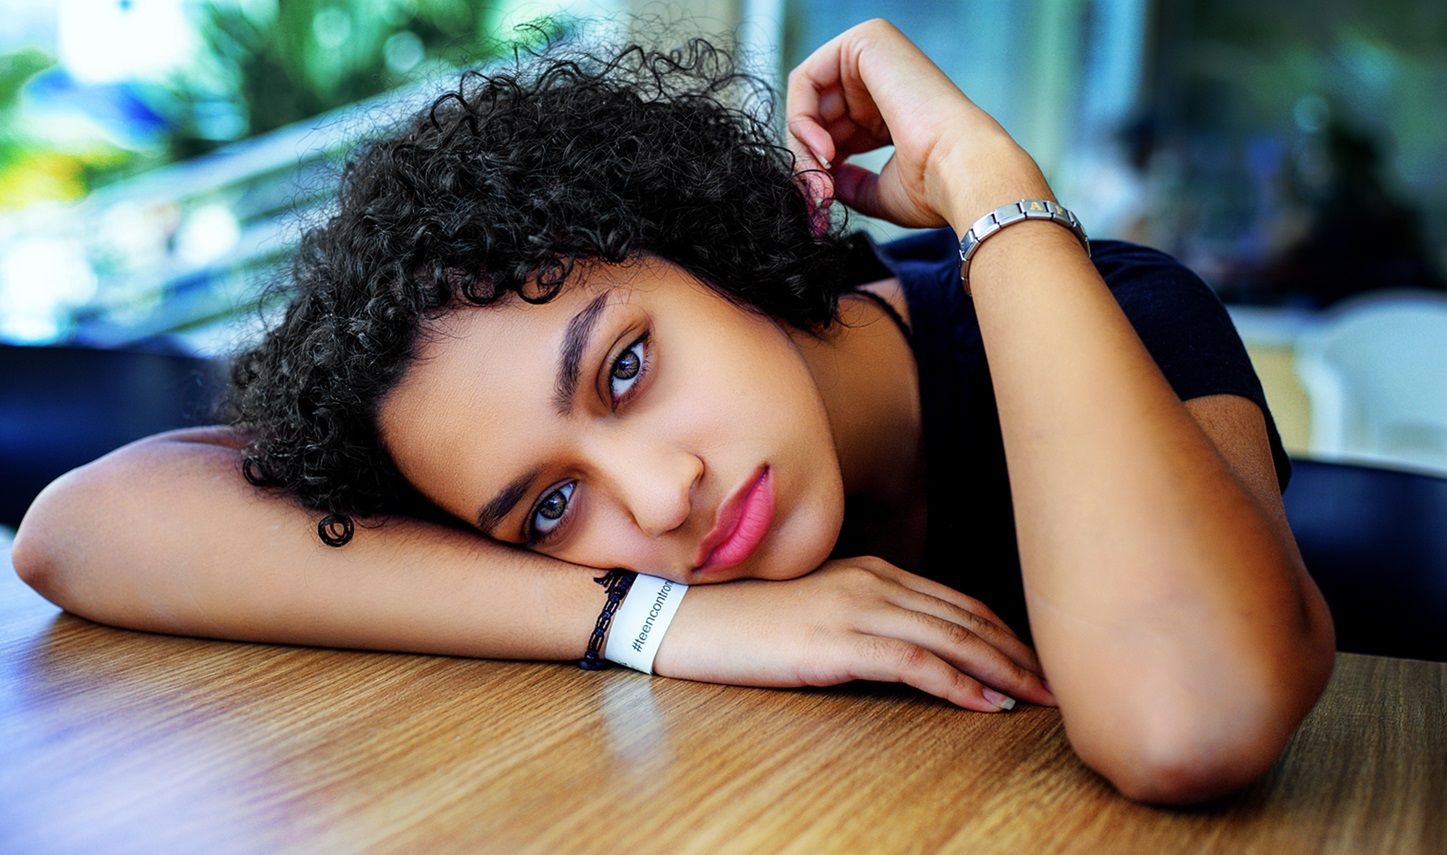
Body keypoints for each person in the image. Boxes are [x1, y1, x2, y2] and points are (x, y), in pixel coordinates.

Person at [11, 20, 1334, 805]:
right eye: (548, 504)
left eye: (626, 369)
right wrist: (661, 617)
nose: (654, 504)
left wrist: (989, 183)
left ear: (715, 249)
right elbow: (82, 532)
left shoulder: (1105, 310)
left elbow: (1188, 718)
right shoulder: (635, 557)